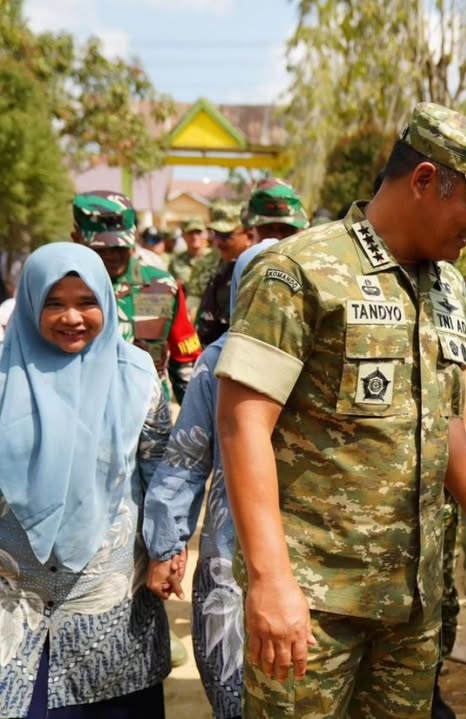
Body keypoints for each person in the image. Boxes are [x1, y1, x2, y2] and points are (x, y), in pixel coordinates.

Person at [214, 103, 466, 717]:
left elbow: (439, 423)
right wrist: (271, 579)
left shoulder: (447, 286)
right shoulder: (299, 271)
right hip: (314, 603)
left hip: (411, 601)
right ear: (423, 181)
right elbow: (242, 424)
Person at [0, 243, 171, 717]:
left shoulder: (138, 378)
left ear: (107, 303)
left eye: (86, 302)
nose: (71, 317)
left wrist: (166, 549)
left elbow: (161, 470)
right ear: (30, 302)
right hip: (12, 607)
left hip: (109, 607)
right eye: (54, 303)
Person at [141, 238, 281, 719]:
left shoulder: (330, 361)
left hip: (320, 562)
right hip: (231, 559)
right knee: (236, 697)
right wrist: (167, 544)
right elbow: (185, 462)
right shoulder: (216, 364)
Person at [72, 190, 201, 403]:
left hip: (148, 418)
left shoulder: (162, 286)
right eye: (101, 248)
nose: (112, 254)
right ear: (77, 238)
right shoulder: (60, 289)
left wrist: (195, 424)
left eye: (120, 246)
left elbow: (185, 363)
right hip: (81, 413)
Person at [195, 201, 257, 347]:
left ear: (248, 235)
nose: (217, 242)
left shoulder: (260, 266)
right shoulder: (214, 266)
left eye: (225, 236)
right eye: (214, 234)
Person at [171, 218, 212, 290]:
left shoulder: (215, 258)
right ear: (183, 236)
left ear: (205, 235)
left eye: (198, 232)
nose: (194, 237)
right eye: (190, 233)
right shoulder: (176, 261)